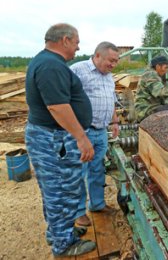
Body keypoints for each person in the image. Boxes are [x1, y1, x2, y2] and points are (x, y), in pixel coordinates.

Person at [25, 23, 96, 256]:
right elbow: (57, 106)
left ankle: (59, 233)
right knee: (61, 191)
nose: (78, 47)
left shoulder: (48, 62)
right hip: (54, 140)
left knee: (56, 190)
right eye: (76, 42)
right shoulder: (50, 66)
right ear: (65, 40)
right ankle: (64, 245)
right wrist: (81, 137)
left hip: (52, 138)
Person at [70, 42, 120, 227]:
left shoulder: (109, 76)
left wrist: (114, 121)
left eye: (116, 61)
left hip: (101, 131)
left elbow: (111, 100)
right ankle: (78, 212)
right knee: (78, 172)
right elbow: (64, 100)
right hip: (83, 131)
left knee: (97, 169)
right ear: (97, 55)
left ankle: (97, 204)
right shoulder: (78, 70)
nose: (113, 65)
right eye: (111, 60)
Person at [134, 55, 168, 122]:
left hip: (152, 106)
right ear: (158, 66)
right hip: (144, 109)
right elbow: (159, 91)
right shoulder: (150, 74)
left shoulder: (156, 75)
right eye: (166, 68)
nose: (166, 70)